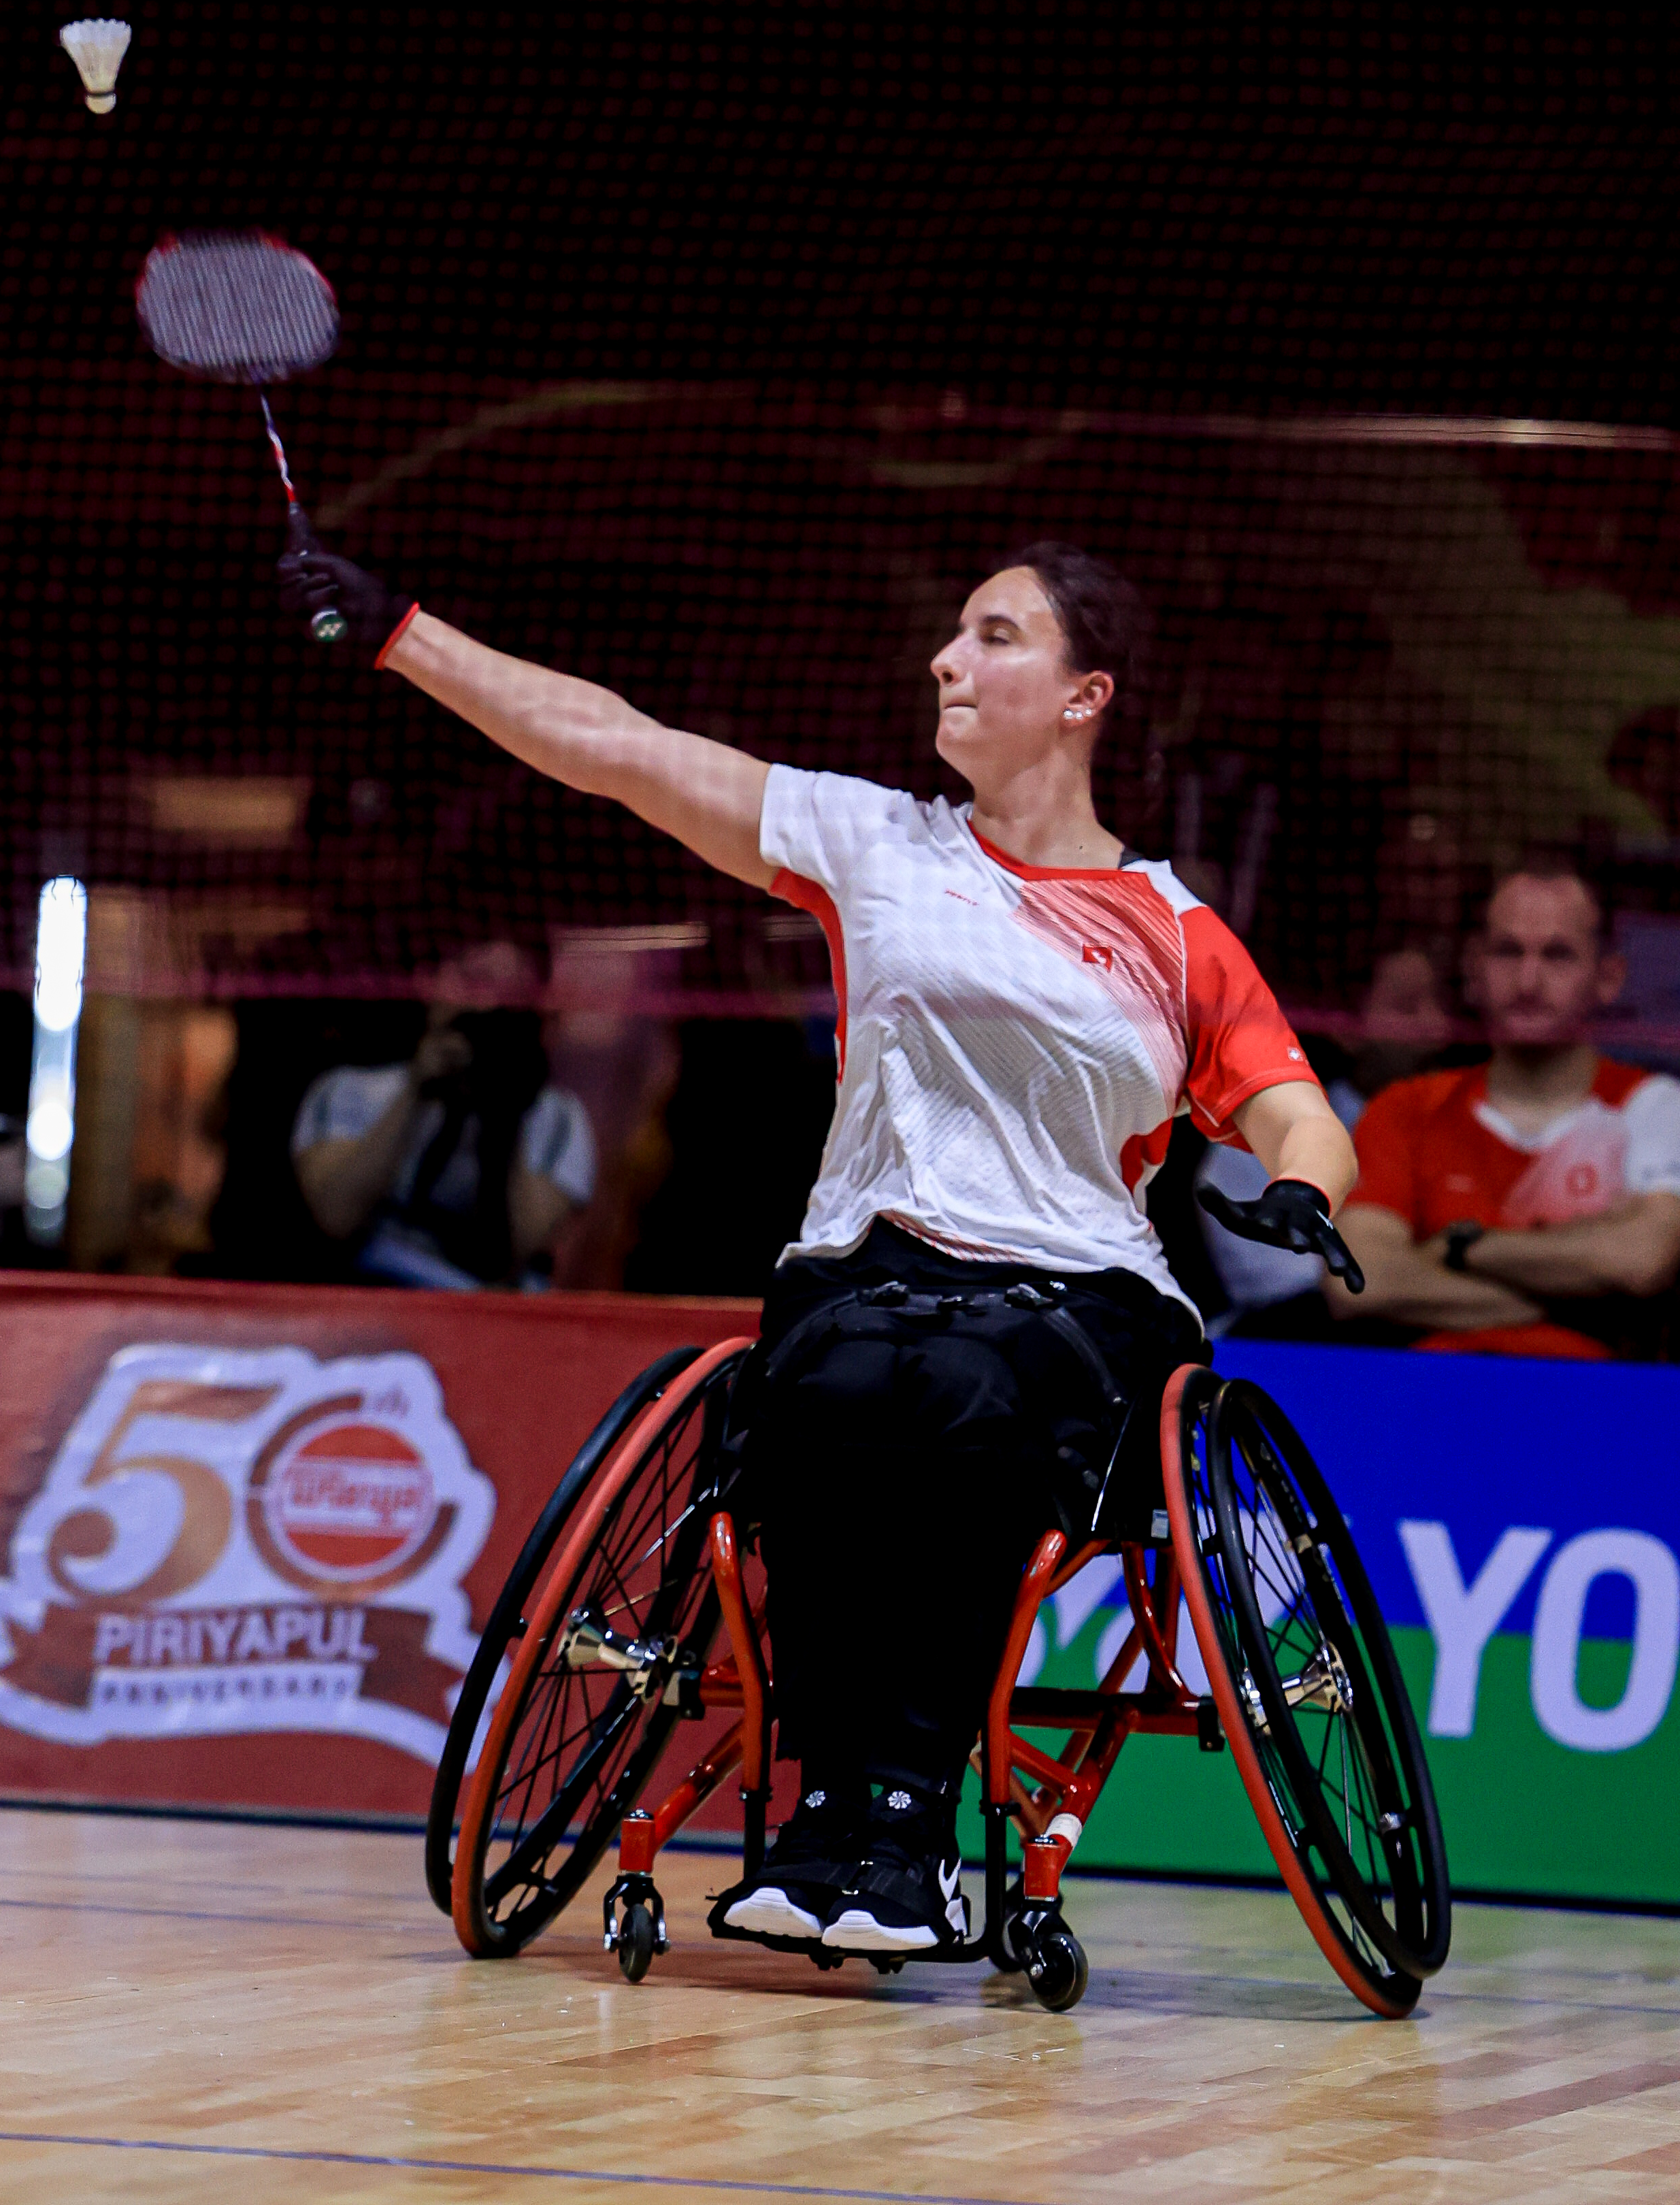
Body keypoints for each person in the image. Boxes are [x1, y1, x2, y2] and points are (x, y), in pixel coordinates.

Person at [280, 533, 1362, 1955]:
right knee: (829, 1393)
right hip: (868, 1273)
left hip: (1081, 1300)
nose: (947, 659)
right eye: (954, 633)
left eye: (993, 635)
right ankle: (832, 1818)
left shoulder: (1176, 930)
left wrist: (1305, 1191)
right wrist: (401, 633)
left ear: (1085, 694)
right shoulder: (876, 844)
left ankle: (905, 1823)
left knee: (963, 1396)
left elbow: (1296, 1111)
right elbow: (617, 746)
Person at [1325, 863, 1680, 1358]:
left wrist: (1459, 1246)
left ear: (1609, 977)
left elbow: (1643, 1260)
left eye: (1558, 954)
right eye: (1508, 952)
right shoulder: (1405, 1109)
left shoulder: (1656, 1106)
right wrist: (1582, 1297)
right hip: (1431, 1394)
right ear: (1474, 969)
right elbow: (1357, 1281)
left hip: (1601, 1399)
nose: (1528, 981)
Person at [291, 942, 597, 1292]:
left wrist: (502, 1117)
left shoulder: (557, 1119)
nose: (484, 1005)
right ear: (428, 981)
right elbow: (336, 1218)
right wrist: (416, 1094)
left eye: (508, 994)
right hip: (370, 1296)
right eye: (474, 980)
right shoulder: (348, 1089)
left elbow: (508, 1260)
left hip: (484, 1310)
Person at [1193, 948, 1450, 1338]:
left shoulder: (1468, 1129)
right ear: (1347, 1029)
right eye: (1408, 1007)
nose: (1439, 1028)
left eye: (1446, 1006)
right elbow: (1338, 1295)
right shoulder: (1259, 1140)